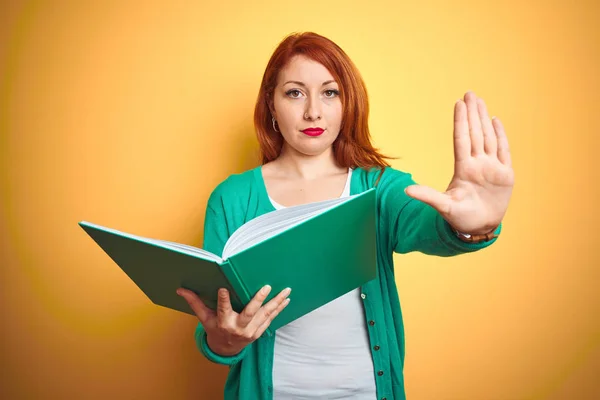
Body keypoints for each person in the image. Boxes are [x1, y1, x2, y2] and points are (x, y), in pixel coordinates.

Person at [176, 31, 514, 400]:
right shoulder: (232, 198)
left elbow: (426, 224)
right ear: (271, 105)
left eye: (329, 92)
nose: (313, 112)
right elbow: (216, 326)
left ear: (346, 103)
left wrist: (474, 225)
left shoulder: (380, 187)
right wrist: (224, 340)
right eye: (294, 92)